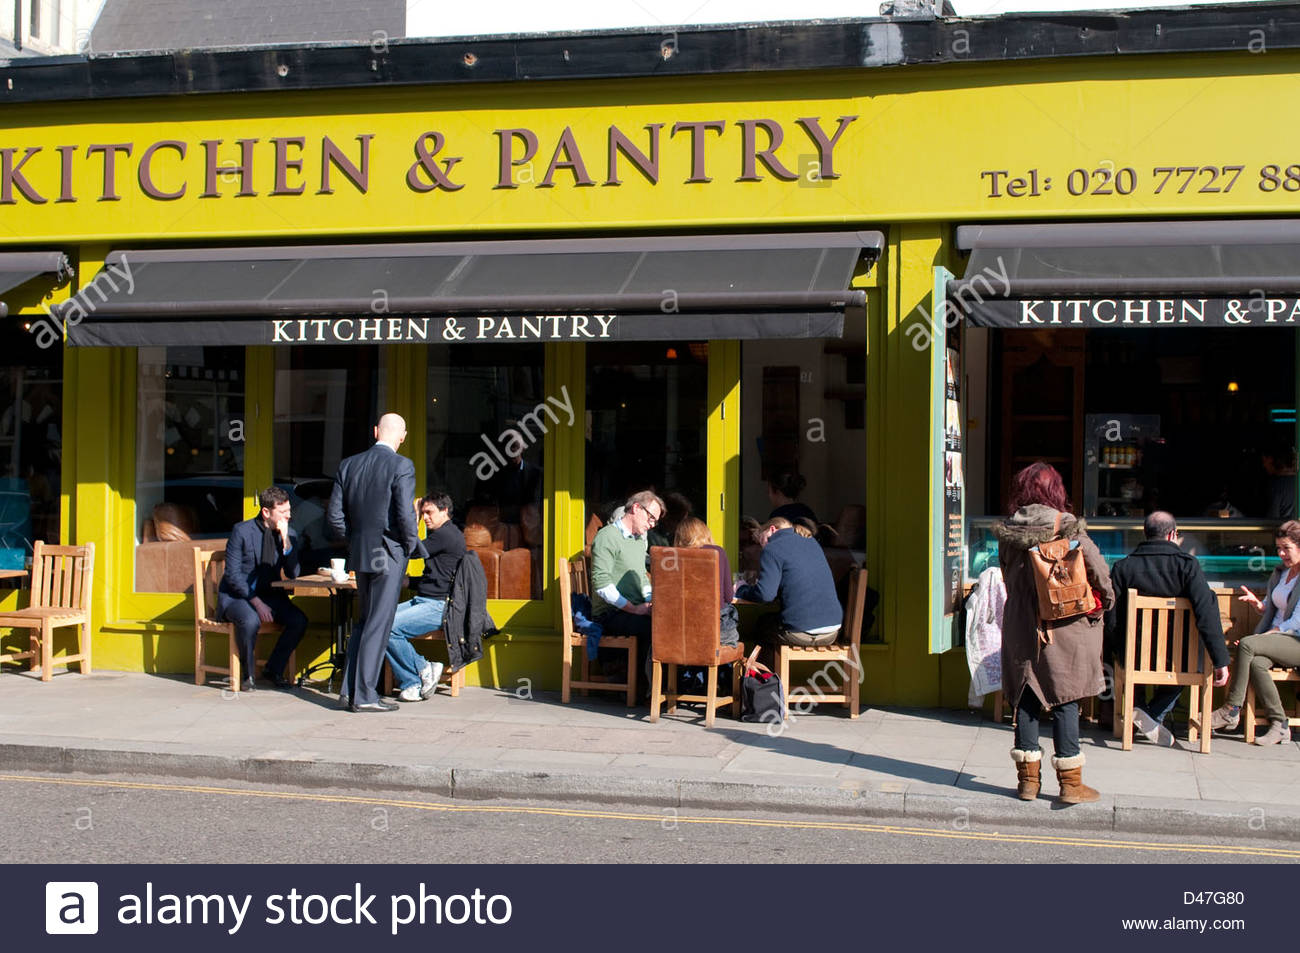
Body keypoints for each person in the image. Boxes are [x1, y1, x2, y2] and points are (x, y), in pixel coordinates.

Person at [994, 462, 1114, 805]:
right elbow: (1100, 576)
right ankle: (1071, 784)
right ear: (1055, 492)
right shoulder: (1067, 526)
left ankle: (1028, 783)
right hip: (1064, 621)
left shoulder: (1007, 530)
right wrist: (1103, 603)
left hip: (1020, 621)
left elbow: (1007, 577)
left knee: (1027, 696)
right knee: (1066, 695)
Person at [1105, 511, 1230, 745]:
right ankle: (1152, 715)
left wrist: (1118, 649)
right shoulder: (1188, 567)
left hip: (1134, 655)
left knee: (1126, 648)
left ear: (1145, 533)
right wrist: (1220, 660)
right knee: (1195, 660)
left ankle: (1140, 709)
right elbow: (1206, 614)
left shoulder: (1123, 567)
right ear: (1173, 534)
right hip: (1179, 659)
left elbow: (1111, 618)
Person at [327, 413, 420, 713]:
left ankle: (348, 692)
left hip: (361, 552)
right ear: (403, 436)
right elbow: (405, 515)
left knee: (365, 621)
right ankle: (365, 696)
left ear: (375, 431)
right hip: (389, 553)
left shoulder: (348, 464)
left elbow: (334, 517)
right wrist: (408, 546)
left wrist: (354, 541)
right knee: (378, 623)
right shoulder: (402, 465)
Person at [1210, 520, 1300, 745]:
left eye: (1286, 548)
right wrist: (1258, 605)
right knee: (1257, 662)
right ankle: (1280, 724)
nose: (1281, 553)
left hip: (1295, 639)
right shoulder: (1282, 573)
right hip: (1277, 637)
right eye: (1278, 548)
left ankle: (1231, 709)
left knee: (1248, 644)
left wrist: (1267, 635)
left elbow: (1295, 620)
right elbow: (1273, 607)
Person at [217, 486, 307, 691]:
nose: (289, 516)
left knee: (299, 620)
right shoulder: (242, 531)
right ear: (266, 512)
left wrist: (286, 542)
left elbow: (294, 573)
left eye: (289, 510)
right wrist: (256, 602)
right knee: (250, 620)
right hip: (238, 596)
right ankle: (247, 674)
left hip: (271, 595)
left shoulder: (289, 533)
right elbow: (232, 575)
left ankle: (274, 669)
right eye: (283, 512)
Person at [735, 516, 841, 667]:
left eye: (762, 539)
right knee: (771, 624)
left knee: (762, 625)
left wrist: (741, 589)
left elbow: (765, 595)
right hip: (832, 631)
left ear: (772, 529)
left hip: (802, 633)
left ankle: (764, 683)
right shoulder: (811, 543)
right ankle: (768, 682)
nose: (762, 546)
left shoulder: (773, 548)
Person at [385, 491, 460, 702]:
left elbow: (411, 550)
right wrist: (411, 582)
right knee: (378, 623)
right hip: (426, 599)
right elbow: (438, 575)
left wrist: (414, 517)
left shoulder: (446, 535)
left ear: (445, 511)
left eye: (429, 512)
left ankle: (422, 669)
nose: (426, 517)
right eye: (423, 513)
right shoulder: (442, 535)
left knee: (387, 627)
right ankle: (415, 681)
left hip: (440, 606)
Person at [590, 489, 664, 677]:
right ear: (636, 508)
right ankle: (642, 687)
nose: (652, 524)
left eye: (655, 521)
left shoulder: (638, 540)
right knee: (653, 629)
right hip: (610, 613)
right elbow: (601, 584)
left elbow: (641, 575)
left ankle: (664, 687)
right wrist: (635, 609)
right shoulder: (607, 537)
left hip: (633, 608)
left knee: (669, 623)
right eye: (651, 518)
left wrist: (650, 601)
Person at [673, 517, 738, 647]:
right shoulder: (717, 552)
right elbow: (729, 597)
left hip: (681, 632)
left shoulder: (672, 556)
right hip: (716, 631)